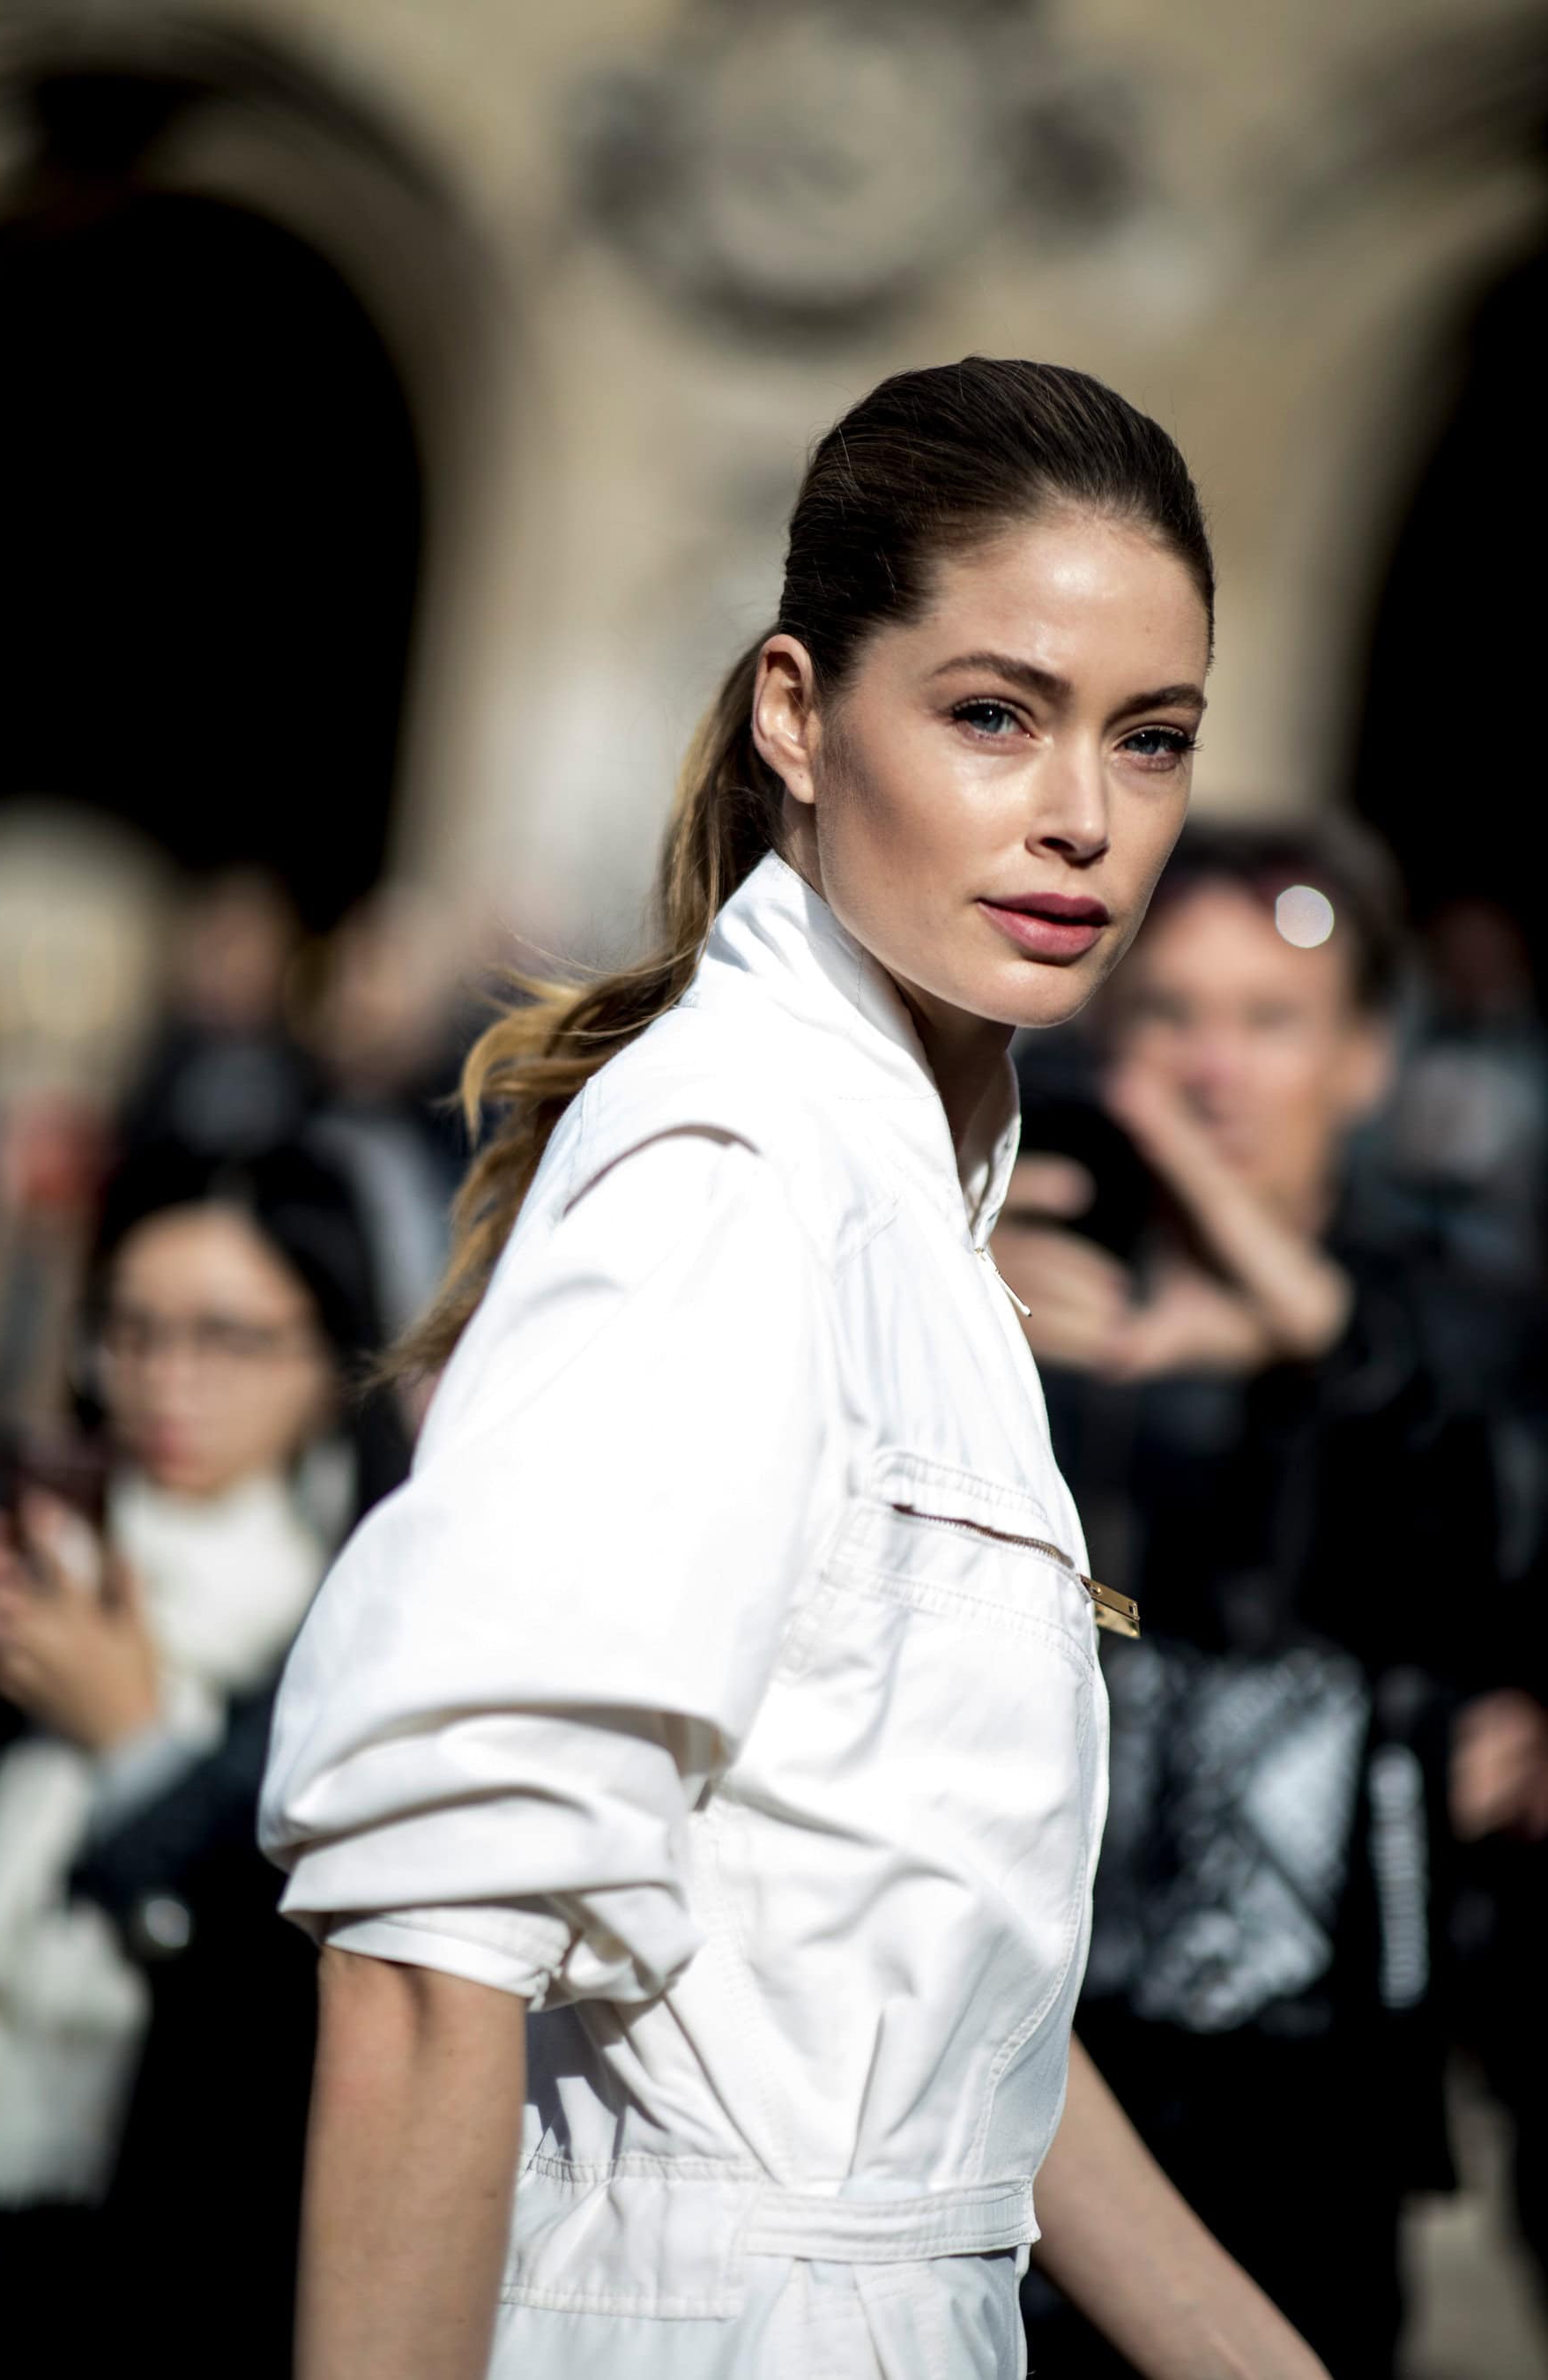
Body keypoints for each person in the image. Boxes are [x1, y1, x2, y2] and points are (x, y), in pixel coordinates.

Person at [261, 358, 1330, 2379]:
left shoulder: (909, 1208)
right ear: (798, 712)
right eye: (995, 714)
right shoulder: (737, 1173)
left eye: (1153, 738)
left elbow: (941, 2020)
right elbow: (427, 1942)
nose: (1085, 818)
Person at [994, 823, 1544, 2376]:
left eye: (1270, 1020)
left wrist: (1274, 1311)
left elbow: (1469, 1468)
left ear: (1365, 1060)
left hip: (1319, 2099)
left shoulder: (1452, 1311)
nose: (1213, 1069)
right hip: (1034, 2047)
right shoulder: (1020, 1282)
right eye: (1172, 1015)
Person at [0, 1141, 406, 2377]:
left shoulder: (362, 1616)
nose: (167, 1379)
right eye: (132, 1330)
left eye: (228, 1338)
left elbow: (296, 1989)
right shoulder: (40, 1553)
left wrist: (134, 1751)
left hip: (190, 2249)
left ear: (333, 1359)